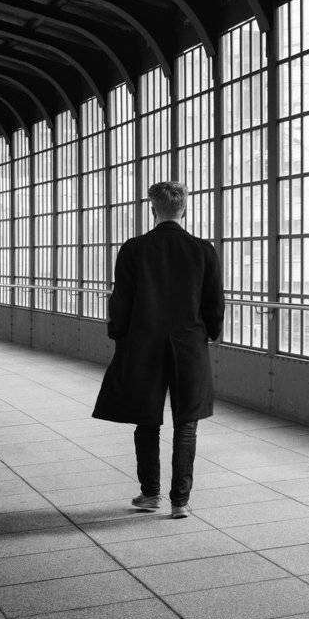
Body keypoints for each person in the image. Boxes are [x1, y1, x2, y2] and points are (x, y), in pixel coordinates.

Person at [93, 181, 224, 519]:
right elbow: (214, 301)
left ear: (153, 210)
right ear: (185, 209)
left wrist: (119, 334)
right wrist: (211, 334)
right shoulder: (202, 249)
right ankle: (180, 501)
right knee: (187, 423)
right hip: (189, 345)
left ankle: (150, 494)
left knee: (147, 420)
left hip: (144, 344)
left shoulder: (134, 248)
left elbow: (121, 298)